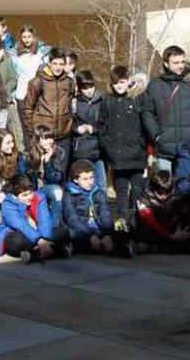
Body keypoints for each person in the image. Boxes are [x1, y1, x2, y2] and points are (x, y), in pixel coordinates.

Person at [141, 45, 190, 172]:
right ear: (166, 63)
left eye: (182, 61)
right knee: (164, 188)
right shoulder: (155, 85)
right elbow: (147, 113)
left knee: (186, 188)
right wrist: (157, 136)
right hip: (164, 148)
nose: (180, 66)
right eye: (176, 63)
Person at [99, 66, 148, 230]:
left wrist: (144, 146)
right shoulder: (107, 101)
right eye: (115, 83)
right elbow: (102, 126)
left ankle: (138, 223)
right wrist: (107, 146)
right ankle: (120, 224)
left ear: (128, 82)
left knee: (138, 191)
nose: (119, 86)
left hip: (137, 155)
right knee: (120, 193)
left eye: (122, 82)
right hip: (117, 156)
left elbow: (145, 123)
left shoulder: (137, 99)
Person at [63, 159, 133, 257]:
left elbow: (106, 215)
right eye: (85, 179)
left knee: (123, 234)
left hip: (99, 230)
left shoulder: (99, 193)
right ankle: (111, 249)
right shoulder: (70, 195)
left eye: (91, 177)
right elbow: (72, 219)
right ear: (75, 179)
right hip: (82, 231)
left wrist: (108, 234)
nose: (90, 182)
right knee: (72, 238)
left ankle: (109, 246)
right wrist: (90, 235)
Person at [0, 175, 70, 264]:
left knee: (64, 231)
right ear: (15, 196)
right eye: (24, 195)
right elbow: (20, 225)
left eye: (30, 193)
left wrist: (44, 239)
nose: (29, 197)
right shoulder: (8, 204)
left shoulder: (39, 198)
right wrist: (39, 240)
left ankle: (34, 253)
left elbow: (44, 220)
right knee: (16, 241)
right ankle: (55, 250)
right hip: (18, 233)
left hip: (39, 233)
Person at [23, 47, 75, 166]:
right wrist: (33, 134)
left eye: (61, 64)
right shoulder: (38, 82)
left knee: (61, 174)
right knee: (42, 172)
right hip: (44, 136)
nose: (58, 67)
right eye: (55, 63)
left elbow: (71, 105)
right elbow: (28, 108)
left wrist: (69, 125)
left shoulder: (69, 82)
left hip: (63, 136)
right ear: (49, 63)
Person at [135, 170, 190, 254]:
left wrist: (182, 232)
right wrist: (170, 236)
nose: (163, 197)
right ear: (153, 189)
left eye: (167, 193)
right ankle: (156, 248)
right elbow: (150, 221)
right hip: (156, 230)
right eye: (160, 193)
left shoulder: (177, 196)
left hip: (173, 228)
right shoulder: (144, 199)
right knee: (146, 234)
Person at [72, 70, 107, 193]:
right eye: (85, 88)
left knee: (101, 183)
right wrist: (77, 129)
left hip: (98, 148)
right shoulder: (74, 102)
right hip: (80, 148)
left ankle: (102, 209)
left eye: (91, 86)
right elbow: (69, 122)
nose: (89, 90)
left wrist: (94, 129)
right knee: (83, 183)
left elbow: (106, 124)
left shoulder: (102, 101)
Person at [11, 24, 49, 105]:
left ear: (34, 37)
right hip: (21, 95)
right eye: (24, 37)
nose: (27, 40)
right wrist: (12, 95)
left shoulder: (42, 53)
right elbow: (13, 76)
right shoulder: (15, 54)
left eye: (29, 36)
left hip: (38, 95)